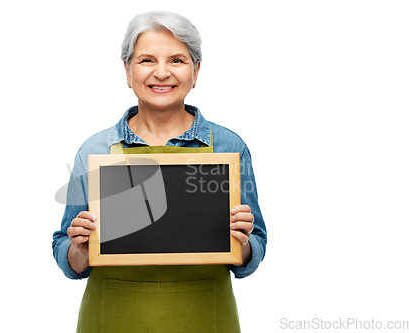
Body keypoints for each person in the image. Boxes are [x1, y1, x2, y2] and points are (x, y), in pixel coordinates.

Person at [52, 11, 267, 332]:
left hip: (205, 316)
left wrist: (243, 242)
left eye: (177, 60)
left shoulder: (227, 146)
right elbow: (65, 252)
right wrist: (79, 250)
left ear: (196, 72)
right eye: (147, 60)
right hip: (112, 316)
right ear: (127, 70)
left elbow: (255, 249)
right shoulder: (95, 150)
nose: (162, 73)